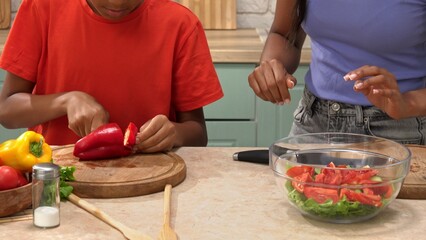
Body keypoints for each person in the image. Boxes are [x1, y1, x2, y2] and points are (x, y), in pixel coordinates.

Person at [0, 0, 224, 152]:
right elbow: (7, 111)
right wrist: (65, 101)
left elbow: (198, 133)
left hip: (148, 178)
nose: (116, 4)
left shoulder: (181, 25)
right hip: (58, 177)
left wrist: (175, 134)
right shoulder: (42, 7)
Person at [248, 0, 426, 144]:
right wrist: (271, 68)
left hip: (401, 132)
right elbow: (284, 34)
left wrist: (407, 103)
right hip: (314, 125)